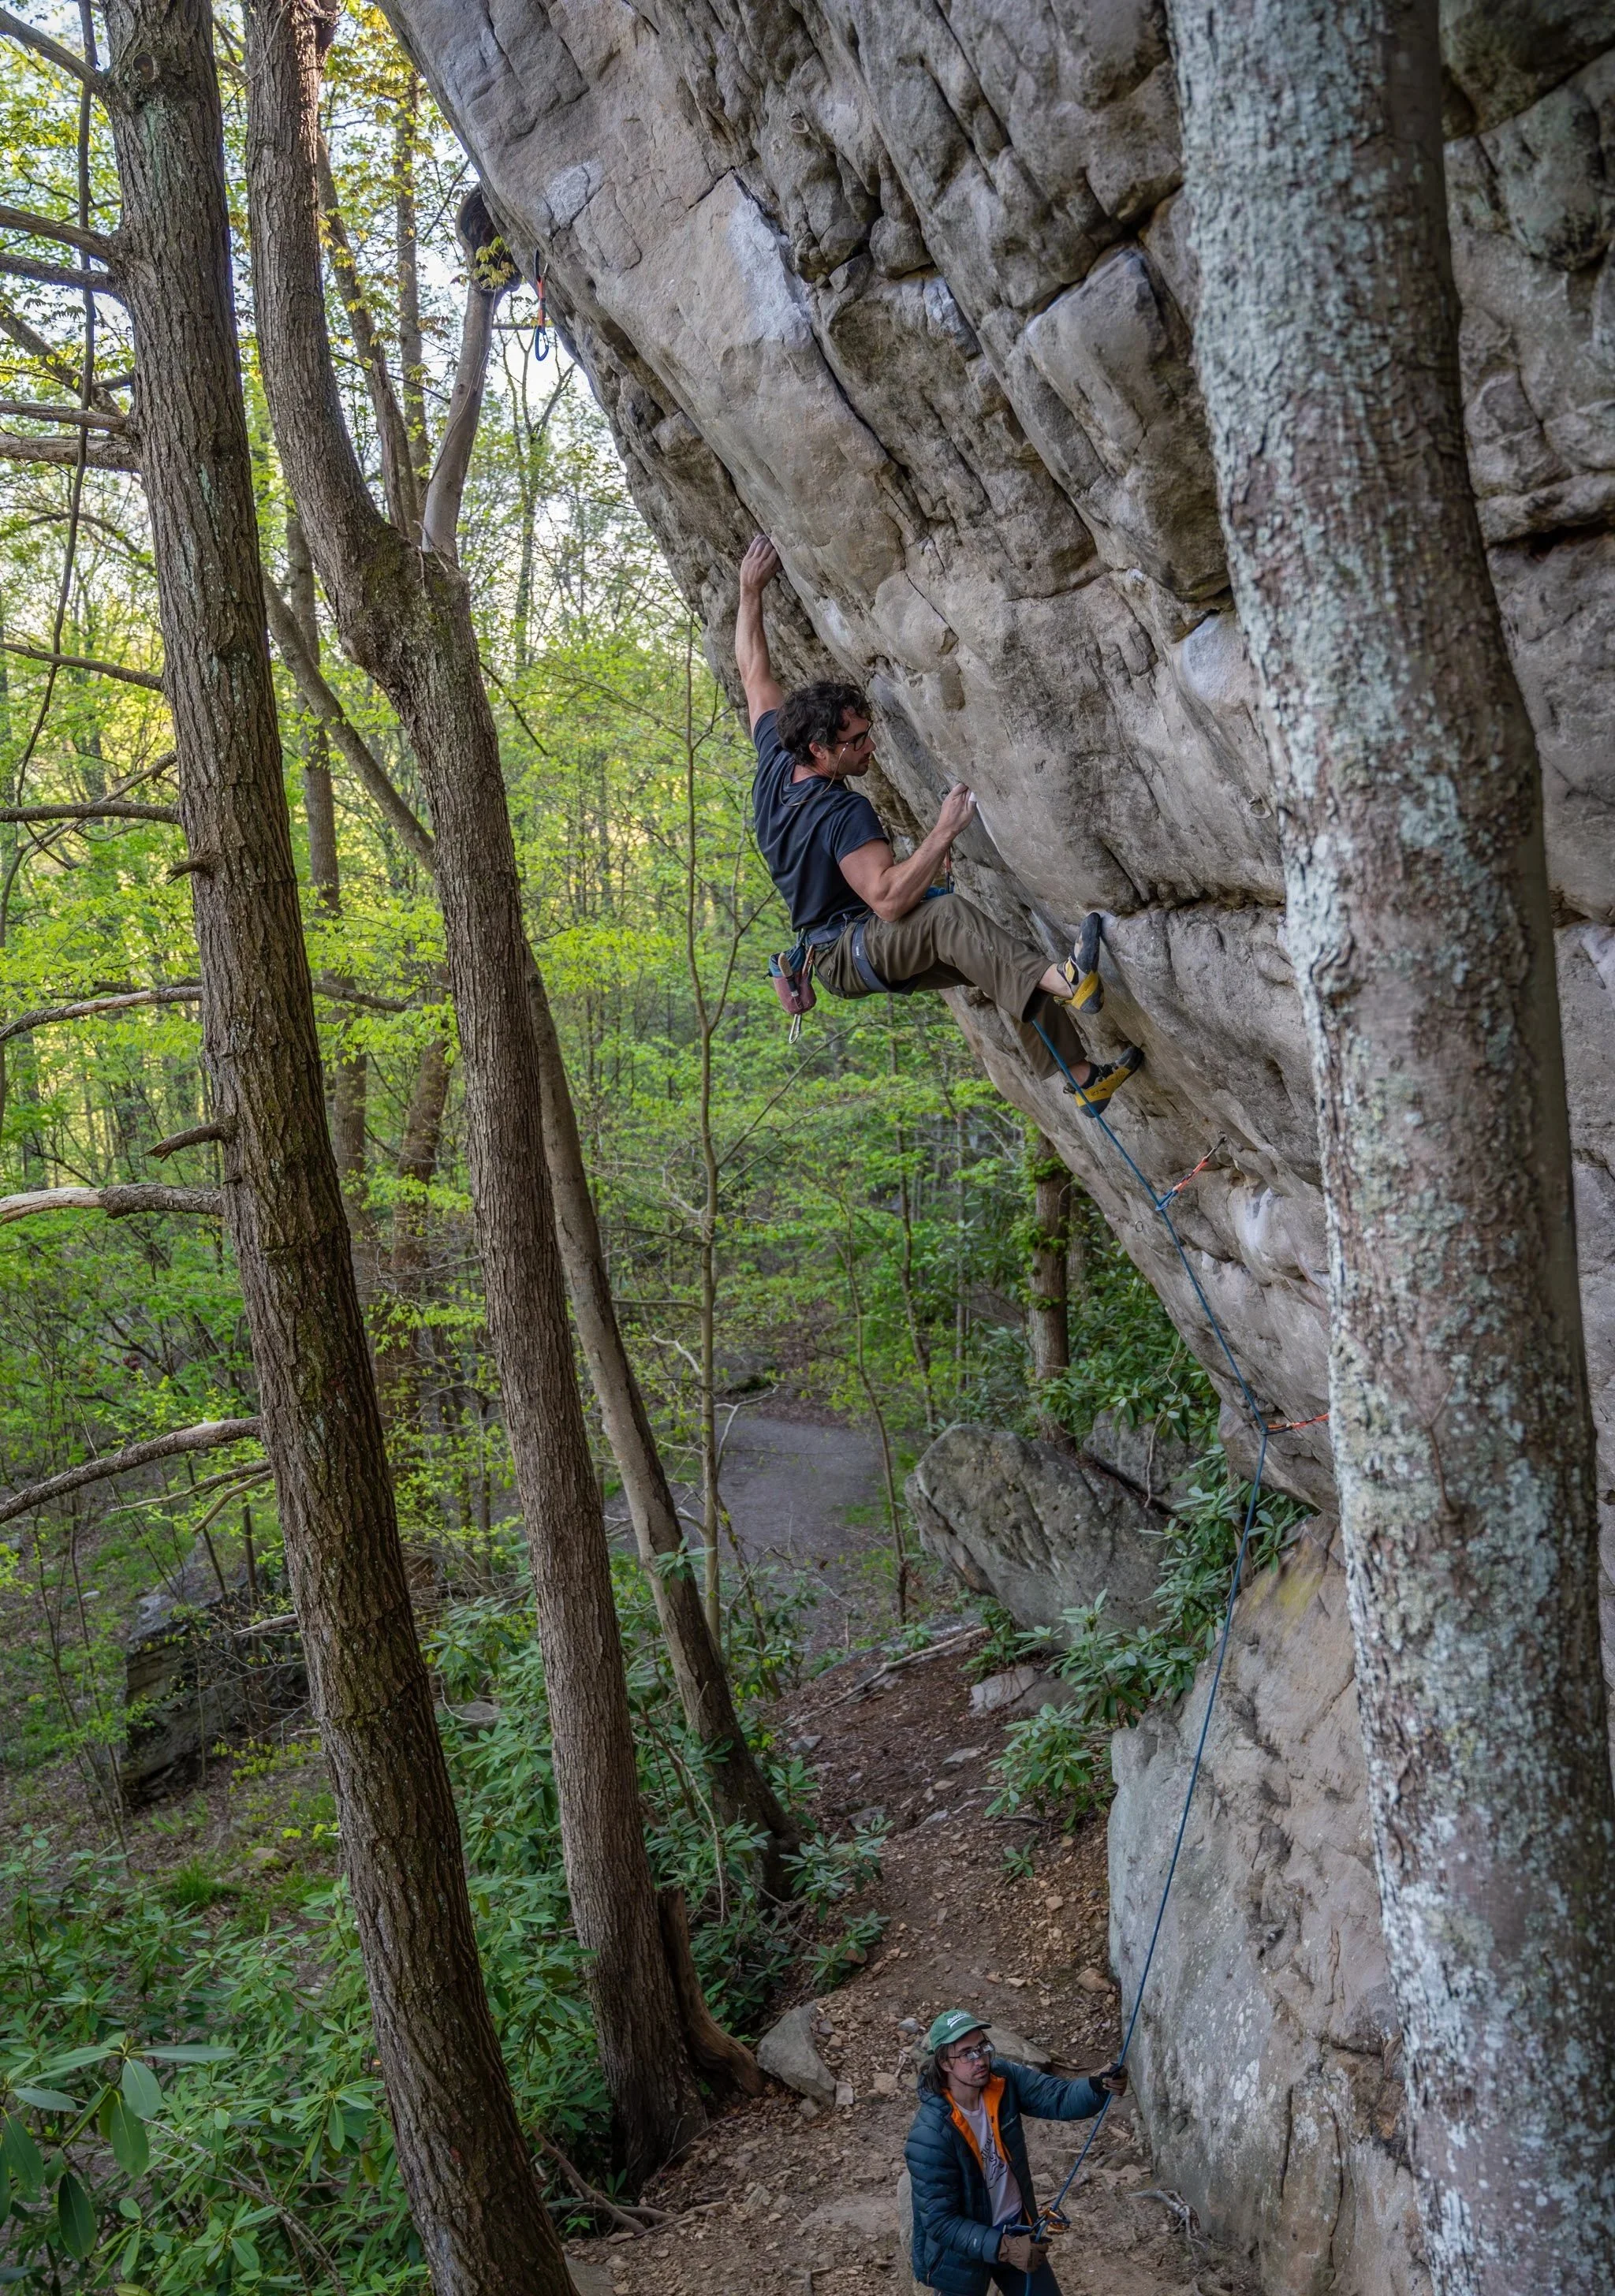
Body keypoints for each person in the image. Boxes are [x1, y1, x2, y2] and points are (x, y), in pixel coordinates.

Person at [735, 535, 1143, 1108]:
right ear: (820, 751)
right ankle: (1068, 982)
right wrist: (944, 831)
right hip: (851, 950)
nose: (871, 747)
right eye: (856, 742)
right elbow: (887, 900)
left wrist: (750, 592)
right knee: (948, 915)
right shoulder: (842, 810)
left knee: (992, 954)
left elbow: (754, 672)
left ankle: (1080, 1077)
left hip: (840, 954)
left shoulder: (776, 762)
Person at [905, 2010, 1128, 2294]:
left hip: (1016, 2229)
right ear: (944, 2063)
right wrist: (1004, 2249)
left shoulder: (1002, 2080)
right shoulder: (930, 2135)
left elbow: (1057, 2097)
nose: (981, 2060)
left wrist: (1097, 2086)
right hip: (961, 2252)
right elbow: (941, 2222)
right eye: (966, 2054)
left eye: (982, 2047)